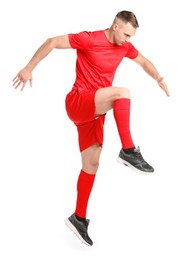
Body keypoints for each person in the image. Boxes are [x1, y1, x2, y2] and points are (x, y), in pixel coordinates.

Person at [12, 10, 170, 246]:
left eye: (132, 36)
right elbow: (52, 42)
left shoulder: (125, 47)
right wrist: (28, 67)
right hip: (79, 101)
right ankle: (128, 150)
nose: (129, 40)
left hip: (95, 113)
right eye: (126, 34)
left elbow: (144, 61)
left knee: (92, 164)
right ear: (115, 26)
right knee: (122, 93)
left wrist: (158, 77)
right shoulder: (90, 39)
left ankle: (79, 218)